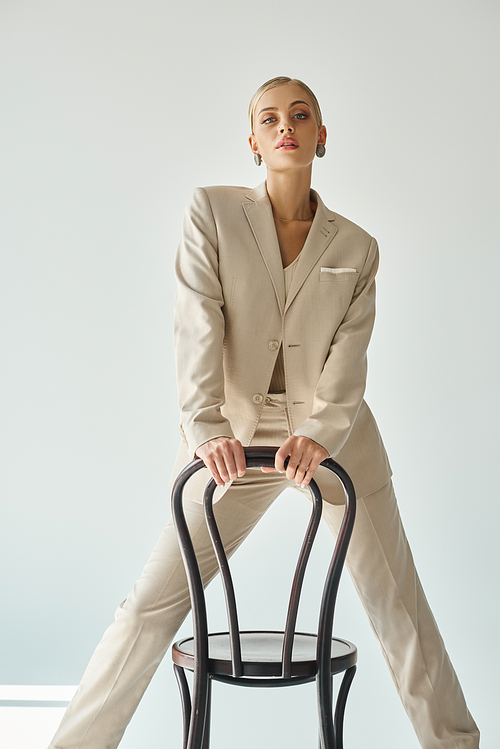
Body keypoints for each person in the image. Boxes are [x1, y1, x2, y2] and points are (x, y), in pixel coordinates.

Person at [48, 76, 479, 749]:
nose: (287, 125)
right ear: (253, 140)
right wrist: (206, 426)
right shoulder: (212, 214)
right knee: (150, 604)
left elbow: (349, 359)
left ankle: (456, 741)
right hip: (231, 442)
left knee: (398, 604)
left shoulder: (357, 247)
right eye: (270, 117)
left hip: (338, 444)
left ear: (321, 135)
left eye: (300, 115)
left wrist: (319, 434)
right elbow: (197, 323)